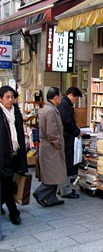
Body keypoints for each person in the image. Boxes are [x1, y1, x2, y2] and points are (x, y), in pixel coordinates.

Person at [33, 87, 66, 207]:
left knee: (55, 174)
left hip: (50, 146)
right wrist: (58, 143)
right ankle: (40, 193)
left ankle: (52, 198)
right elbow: (52, 132)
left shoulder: (48, 109)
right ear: (55, 97)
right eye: (60, 96)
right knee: (53, 174)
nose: (61, 98)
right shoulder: (50, 111)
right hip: (51, 148)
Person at [0, 86, 28, 225]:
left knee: (8, 182)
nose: (10, 100)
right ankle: (14, 212)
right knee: (6, 183)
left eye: (12, 97)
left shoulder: (16, 112)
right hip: (2, 154)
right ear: (1, 98)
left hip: (14, 153)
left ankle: (3, 204)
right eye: (7, 97)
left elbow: (20, 134)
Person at [57, 87, 82, 199]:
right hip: (66, 138)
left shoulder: (64, 104)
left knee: (64, 163)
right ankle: (65, 190)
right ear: (71, 95)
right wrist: (76, 131)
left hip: (66, 137)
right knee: (66, 163)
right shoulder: (64, 105)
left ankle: (60, 188)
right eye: (75, 99)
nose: (75, 101)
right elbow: (67, 121)